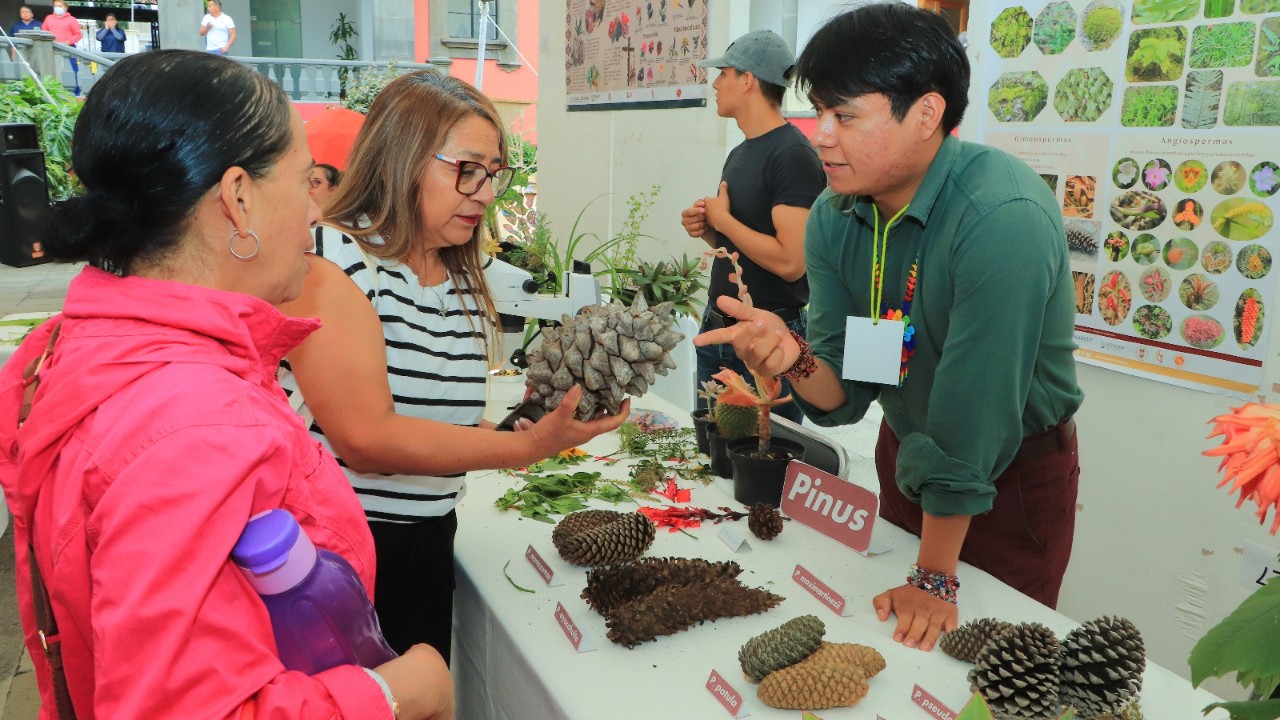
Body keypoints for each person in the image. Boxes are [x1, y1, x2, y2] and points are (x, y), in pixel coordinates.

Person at [0, 50, 452, 719]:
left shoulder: (87, 346)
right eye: (306, 183)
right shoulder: (196, 424)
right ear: (238, 199)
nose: (315, 215)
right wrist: (394, 694)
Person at [695, 3, 1083, 653]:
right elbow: (842, 395)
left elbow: (974, 414)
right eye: (819, 112)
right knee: (896, 655)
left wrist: (935, 576)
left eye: (845, 116)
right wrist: (792, 357)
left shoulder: (1001, 215)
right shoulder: (835, 220)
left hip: (1007, 477)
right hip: (909, 460)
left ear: (926, 114)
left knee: (992, 664)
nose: (821, 135)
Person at [277, 70, 629, 663]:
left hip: (426, 540)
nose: (486, 193)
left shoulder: (460, 277)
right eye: (466, 169)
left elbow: (438, 426)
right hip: (343, 553)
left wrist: (534, 432)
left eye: (494, 174)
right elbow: (366, 438)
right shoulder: (334, 262)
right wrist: (524, 450)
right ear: (403, 157)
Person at [682, 29, 825, 424]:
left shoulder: (793, 155)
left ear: (747, 80)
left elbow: (791, 261)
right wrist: (709, 228)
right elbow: (741, 240)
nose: (715, 83)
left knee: (762, 467)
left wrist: (724, 219)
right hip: (719, 326)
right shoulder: (741, 153)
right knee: (713, 459)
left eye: (723, 73)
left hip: (767, 337)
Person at [41, 0, 81, 96]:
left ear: (65, 8)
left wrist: (68, 42)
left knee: (71, 70)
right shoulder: (49, 18)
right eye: (55, 6)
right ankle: (54, 91)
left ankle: (75, 92)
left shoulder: (71, 19)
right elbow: (43, 32)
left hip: (68, 49)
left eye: (60, 6)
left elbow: (78, 34)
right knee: (53, 71)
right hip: (52, 49)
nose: (57, 8)